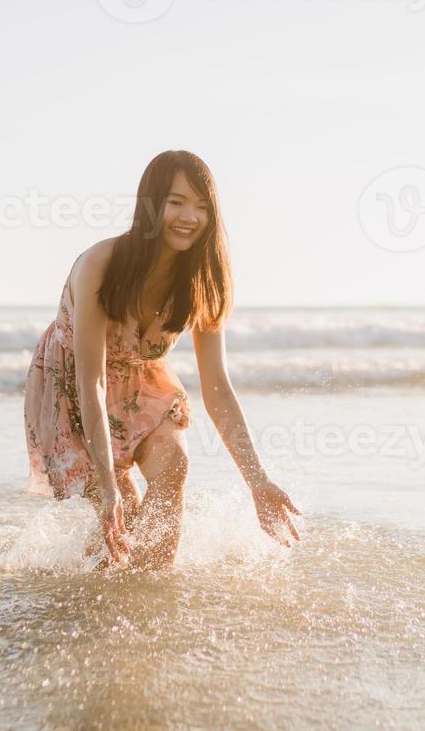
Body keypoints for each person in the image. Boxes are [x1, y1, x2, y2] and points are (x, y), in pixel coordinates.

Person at [23, 150, 301, 569]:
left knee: (174, 464)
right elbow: (92, 381)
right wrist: (109, 485)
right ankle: (106, 605)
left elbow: (217, 388)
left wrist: (258, 483)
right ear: (151, 205)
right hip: (77, 391)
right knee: (120, 512)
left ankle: (155, 589)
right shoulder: (100, 265)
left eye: (202, 207)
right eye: (176, 202)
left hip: (144, 383)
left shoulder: (204, 282)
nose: (189, 216)